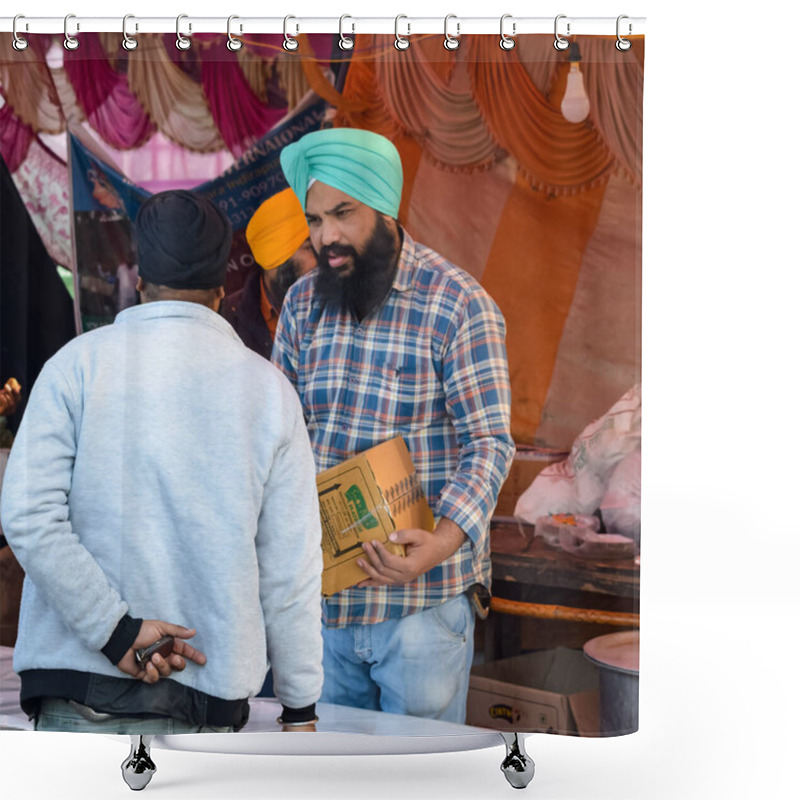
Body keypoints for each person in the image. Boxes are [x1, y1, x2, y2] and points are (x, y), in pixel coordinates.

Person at [0, 190, 323, 734]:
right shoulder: (269, 394)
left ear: (141, 283)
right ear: (222, 291)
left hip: (78, 695)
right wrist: (299, 707)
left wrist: (117, 633)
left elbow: (28, 517)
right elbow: (290, 573)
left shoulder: (74, 367)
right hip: (206, 711)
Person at [273, 128, 514, 723]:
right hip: (323, 608)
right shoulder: (303, 306)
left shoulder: (458, 304)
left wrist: (443, 541)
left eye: (343, 213)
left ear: (385, 207)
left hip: (421, 608)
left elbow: (490, 443)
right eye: (315, 218)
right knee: (327, 779)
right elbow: (276, 441)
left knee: (420, 780)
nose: (326, 235)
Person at [221, 188, 318, 360]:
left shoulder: (348, 310)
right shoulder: (226, 322)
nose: (327, 260)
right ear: (276, 257)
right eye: (310, 247)